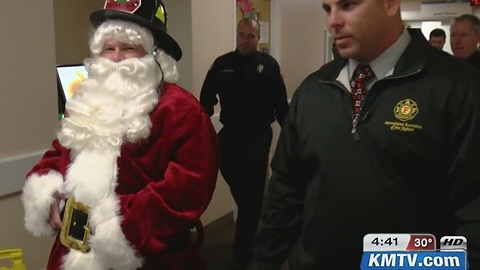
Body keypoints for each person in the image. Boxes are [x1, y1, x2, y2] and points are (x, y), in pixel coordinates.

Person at [253, 0, 480, 269]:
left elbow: (473, 211)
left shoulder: (459, 88)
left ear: (389, 4)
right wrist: (266, 261)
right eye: (327, 9)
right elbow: (286, 190)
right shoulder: (314, 89)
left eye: (348, 5)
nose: (333, 21)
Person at [21, 0, 220, 269]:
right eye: (108, 49)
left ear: (154, 54)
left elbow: (186, 190)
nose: (115, 58)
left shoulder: (182, 111)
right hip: (72, 255)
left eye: (128, 49)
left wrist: (110, 226)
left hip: (147, 257)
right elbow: (61, 150)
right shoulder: (87, 99)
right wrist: (48, 189)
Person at [199, 18, 289, 270]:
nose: (245, 39)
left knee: (251, 202)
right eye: (242, 34)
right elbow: (204, 103)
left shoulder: (269, 66)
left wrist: (294, 139)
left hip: (258, 139)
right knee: (248, 199)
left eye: (251, 35)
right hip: (229, 139)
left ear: (258, 38)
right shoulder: (222, 64)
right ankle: (254, 238)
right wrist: (196, 130)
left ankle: (242, 257)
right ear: (236, 35)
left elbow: (282, 107)